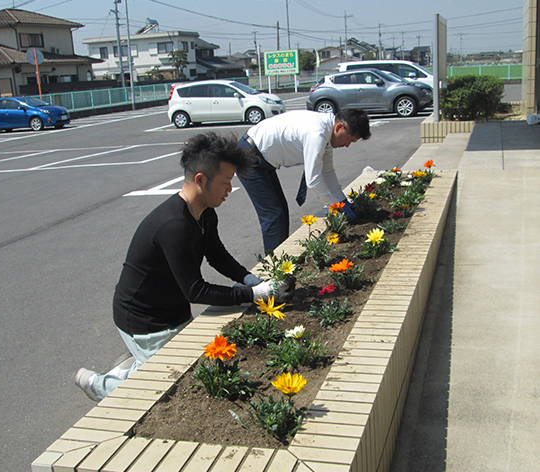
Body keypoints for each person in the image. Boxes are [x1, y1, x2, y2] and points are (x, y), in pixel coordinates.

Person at [75, 132, 291, 402]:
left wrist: (250, 279)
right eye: (225, 182)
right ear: (200, 180)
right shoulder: (173, 226)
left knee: (197, 366)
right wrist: (253, 295)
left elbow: (216, 254)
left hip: (171, 312)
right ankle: (100, 385)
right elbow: (195, 291)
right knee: (168, 389)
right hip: (144, 321)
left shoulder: (204, 211)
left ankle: (135, 366)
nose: (230, 190)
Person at [237, 108, 371, 253]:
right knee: (273, 214)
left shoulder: (326, 133)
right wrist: (336, 206)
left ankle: (280, 259)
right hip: (249, 156)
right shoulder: (317, 133)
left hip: (261, 158)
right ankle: (275, 268)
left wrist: (342, 202)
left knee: (279, 210)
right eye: (349, 140)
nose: (347, 145)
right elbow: (313, 181)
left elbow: (328, 172)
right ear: (339, 127)